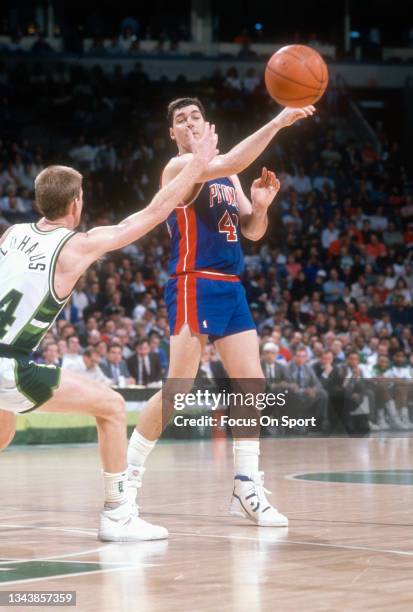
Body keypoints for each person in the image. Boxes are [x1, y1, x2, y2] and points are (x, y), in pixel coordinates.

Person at [0, 123, 218, 541]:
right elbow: (152, 214)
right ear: (77, 202)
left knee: (4, 428)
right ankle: (118, 514)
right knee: (113, 407)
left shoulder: (12, 234)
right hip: (10, 362)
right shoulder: (77, 245)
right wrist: (198, 167)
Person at [127, 97, 315, 528]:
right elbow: (228, 158)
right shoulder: (180, 169)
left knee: (251, 384)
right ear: (171, 134)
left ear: (206, 122)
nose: (189, 122)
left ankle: (246, 487)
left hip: (231, 286)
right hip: (194, 280)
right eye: (179, 119)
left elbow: (252, 232)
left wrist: (262, 206)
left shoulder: (229, 173)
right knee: (177, 390)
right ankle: (126, 482)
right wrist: (280, 121)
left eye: (195, 115)